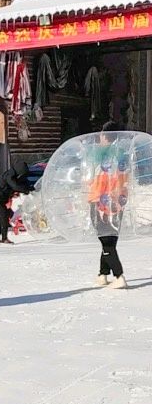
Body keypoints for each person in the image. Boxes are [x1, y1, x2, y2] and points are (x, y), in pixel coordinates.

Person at [89, 121, 128, 289]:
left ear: (106, 136)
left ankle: (119, 276)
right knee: (110, 239)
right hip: (118, 202)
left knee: (106, 240)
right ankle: (102, 274)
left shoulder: (100, 156)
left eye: (102, 134)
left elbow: (93, 179)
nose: (99, 137)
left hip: (100, 202)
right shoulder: (123, 156)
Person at [0, 159, 32, 243]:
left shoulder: (16, 176)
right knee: (4, 216)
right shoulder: (9, 176)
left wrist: (30, 188)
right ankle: (4, 238)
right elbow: (15, 186)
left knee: (3, 216)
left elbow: (23, 183)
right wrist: (26, 190)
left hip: (2, 198)